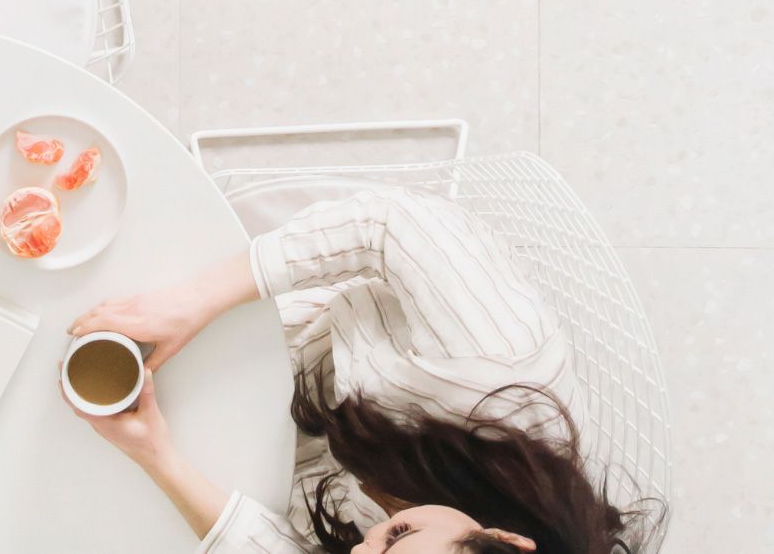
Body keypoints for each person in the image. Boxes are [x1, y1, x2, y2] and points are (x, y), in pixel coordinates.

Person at [63, 188, 660, 553]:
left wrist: (155, 455)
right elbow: (391, 226)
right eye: (398, 538)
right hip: (275, 333)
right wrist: (190, 302)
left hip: (237, 444)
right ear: (503, 542)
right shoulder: (501, 364)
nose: (363, 549)